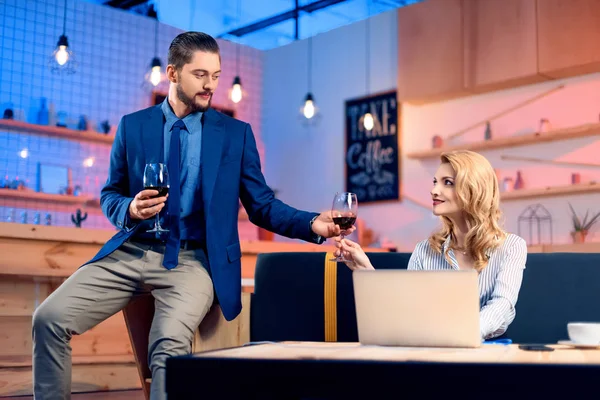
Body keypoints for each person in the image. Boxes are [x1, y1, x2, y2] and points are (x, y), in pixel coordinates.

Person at [32, 31, 353, 400]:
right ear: (172, 73)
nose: (210, 85)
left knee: (168, 346)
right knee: (48, 319)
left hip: (193, 261)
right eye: (200, 75)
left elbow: (262, 205)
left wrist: (312, 222)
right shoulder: (133, 126)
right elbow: (110, 194)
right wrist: (130, 209)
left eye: (215, 75)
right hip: (132, 250)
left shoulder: (236, 135)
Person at [335, 150, 527, 340]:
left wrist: (464, 334)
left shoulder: (512, 246)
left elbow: (502, 304)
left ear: (474, 190)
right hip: (433, 349)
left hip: (488, 353)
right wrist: (365, 270)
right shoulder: (424, 250)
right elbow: (407, 311)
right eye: (435, 182)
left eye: (448, 183)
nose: (434, 190)